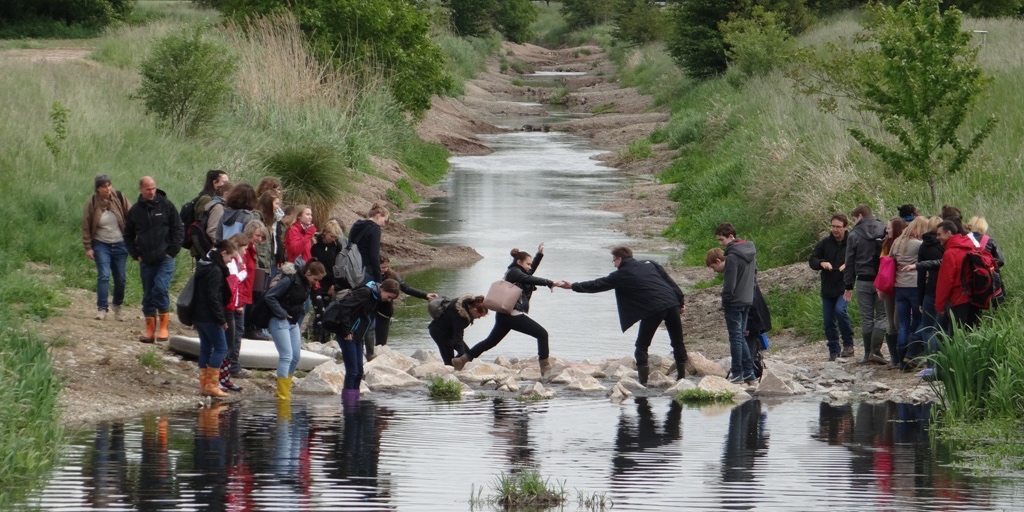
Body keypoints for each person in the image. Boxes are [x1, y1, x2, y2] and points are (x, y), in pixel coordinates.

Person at [558, 246, 687, 385]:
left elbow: (597, 285)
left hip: (653, 309)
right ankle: (682, 379)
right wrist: (680, 302)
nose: (614, 264)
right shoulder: (650, 264)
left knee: (642, 346)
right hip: (672, 303)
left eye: (614, 261)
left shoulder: (621, 274)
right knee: (677, 342)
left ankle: (643, 383)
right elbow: (670, 282)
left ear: (619, 259)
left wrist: (573, 286)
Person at [453, 245, 561, 378]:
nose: (529, 266)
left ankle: (461, 361)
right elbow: (528, 278)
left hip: (504, 316)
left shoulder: (517, 271)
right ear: (519, 262)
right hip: (512, 315)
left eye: (530, 264)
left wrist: (539, 255)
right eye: (527, 263)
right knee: (542, 334)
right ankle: (545, 369)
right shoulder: (514, 272)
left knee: (490, 341)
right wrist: (549, 282)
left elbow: (529, 273)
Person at [124, 176, 184, 344]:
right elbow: (128, 235)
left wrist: (172, 251)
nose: (151, 192)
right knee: (148, 294)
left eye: (153, 188)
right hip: (146, 259)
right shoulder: (135, 210)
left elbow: (178, 229)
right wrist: (136, 254)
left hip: (165, 257)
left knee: (160, 288)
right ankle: (150, 331)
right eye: (148, 189)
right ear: (140, 189)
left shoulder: (167, 205)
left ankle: (164, 328)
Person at [265, 259, 327, 401]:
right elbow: (270, 296)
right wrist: (281, 313)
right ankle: (282, 394)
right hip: (279, 320)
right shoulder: (289, 280)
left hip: (292, 323)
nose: (315, 282)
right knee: (286, 356)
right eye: (315, 279)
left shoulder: (306, 282)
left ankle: (286, 387)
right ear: (308, 272)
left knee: (295, 357)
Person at [334, 279, 401, 405]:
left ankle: (354, 400)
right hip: (348, 335)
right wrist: (346, 330)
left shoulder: (377, 297)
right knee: (352, 371)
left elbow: (388, 313)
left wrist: (387, 301)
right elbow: (345, 308)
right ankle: (348, 404)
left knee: (359, 372)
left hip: (358, 336)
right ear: (382, 289)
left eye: (391, 299)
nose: (388, 300)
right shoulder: (365, 293)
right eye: (388, 296)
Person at [705, 224, 758, 384]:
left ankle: (738, 373)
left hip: (735, 301)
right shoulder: (750, 250)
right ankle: (749, 373)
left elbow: (730, 283)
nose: (721, 243)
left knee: (735, 338)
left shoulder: (733, 256)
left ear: (730, 236)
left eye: (721, 239)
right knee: (740, 337)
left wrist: (725, 300)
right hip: (748, 298)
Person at [366, 254, 439, 359]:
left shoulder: (391, 275)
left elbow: (405, 288)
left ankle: (379, 363)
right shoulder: (369, 275)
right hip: (371, 312)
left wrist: (425, 295)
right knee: (367, 340)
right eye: (382, 267)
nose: (385, 269)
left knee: (381, 345)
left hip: (384, 314)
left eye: (387, 267)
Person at [81, 174, 132, 321]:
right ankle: (102, 308)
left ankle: (117, 306)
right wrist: (88, 247)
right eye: (104, 186)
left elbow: (132, 216)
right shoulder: (91, 203)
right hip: (101, 244)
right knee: (103, 276)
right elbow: (85, 226)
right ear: (98, 189)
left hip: (120, 243)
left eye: (109, 185)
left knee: (121, 278)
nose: (108, 189)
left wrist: (134, 240)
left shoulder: (120, 198)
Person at [192, 239, 237, 398]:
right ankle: (211, 385)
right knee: (220, 348)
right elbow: (214, 298)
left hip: (198, 315)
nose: (230, 262)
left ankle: (204, 386)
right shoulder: (216, 270)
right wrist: (221, 319)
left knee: (205, 348)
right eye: (230, 258)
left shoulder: (203, 265)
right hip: (210, 316)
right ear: (223, 253)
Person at [843, 204, 888, 365]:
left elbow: (849, 262)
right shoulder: (884, 228)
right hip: (882, 279)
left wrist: (848, 285)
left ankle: (868, 353)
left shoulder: (854, 234)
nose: (854, 222)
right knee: (883, 316)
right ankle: (876, 351)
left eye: (854, 219)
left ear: (860, 216)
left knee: (867, 318)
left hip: (862, 279)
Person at [808, 213, 853, 361]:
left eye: (838, 227)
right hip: (827, 287)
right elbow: (812, 259)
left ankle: (848, 344)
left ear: (845, 227)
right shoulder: (825, 243)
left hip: (845, 286)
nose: (835, 230)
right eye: (833, 226)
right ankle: (834, 350)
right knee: (828, 321)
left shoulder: (851, 242)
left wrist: (848, 265)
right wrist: (822, 263)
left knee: (840, 311)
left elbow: (860, 259)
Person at [890, 216, 926, 369]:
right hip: (914, 285)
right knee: (918, 321)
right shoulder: (918, 244)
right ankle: (910, 354)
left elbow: (891, 259)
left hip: (899, 286)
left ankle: (900, 357)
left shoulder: (896, 242)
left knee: (903, 323)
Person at [935, 220, 981, 331]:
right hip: (975, 297)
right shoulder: (970, 246)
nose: (937, 238)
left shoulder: (950, 253)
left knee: (957, 336)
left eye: (939, 234)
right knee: (972, 332)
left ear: (949, 233)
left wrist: (939, 305)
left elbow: (945, 281)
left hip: (958, 299)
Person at [218, 233, 249, 392]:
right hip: (228, 307)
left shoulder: (235, 261)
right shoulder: (231, 263)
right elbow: (234, 281)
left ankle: (225, 379)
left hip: (233, 305)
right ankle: (220, 379)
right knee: (226, 344)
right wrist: (244, 272)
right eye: (244, 248)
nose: (245, 252)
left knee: (230, 343)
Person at [309, 219, 345, 343]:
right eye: (331, 236)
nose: (333, 239)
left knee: (327, 310)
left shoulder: (336, 246)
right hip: (317, 282)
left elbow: (337, 266)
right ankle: (316, 336)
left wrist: (335, 285)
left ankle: (325, 337)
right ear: (325, 233)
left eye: (335, 237)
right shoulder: (315, 246)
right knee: (319, 310)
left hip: (330, 283)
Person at [878, 217, 907, 366]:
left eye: (889, 228)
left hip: (901, 286)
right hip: (889, 286)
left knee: (898, 321)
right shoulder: (886, 244)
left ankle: (902, 357)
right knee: (891, 322)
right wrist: (880, 286)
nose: (886, 230)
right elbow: (882, 268)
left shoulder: (903, 245)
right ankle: (894, 358)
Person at [428, 295, 489, 366]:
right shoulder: (460, 316)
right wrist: (462, 355)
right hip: (439, 332)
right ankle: (449, 374)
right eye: (479, 316)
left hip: (450, 332)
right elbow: (458, 338)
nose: (479, 318)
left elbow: (457, 337)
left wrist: (464, 355)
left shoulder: (465, 304)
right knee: (450, 361)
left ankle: (457, 368)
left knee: (468, 354)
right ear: (475, 311)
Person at [346, 203, 389, 285]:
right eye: (384, 220)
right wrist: (378, 276)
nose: (384, 224)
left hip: (352, 265)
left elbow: (349, 242)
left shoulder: (357, 224)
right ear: (378, 215)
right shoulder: (375, 229)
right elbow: (374, 255)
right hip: (366, 269)